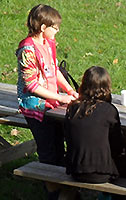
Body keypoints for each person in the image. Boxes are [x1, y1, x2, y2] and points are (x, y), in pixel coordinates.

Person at [16, 4, 78, 199]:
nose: (57, 30)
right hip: (35, 106)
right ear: (43, 27)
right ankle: (53, 192)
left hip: (52, 102)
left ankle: (64, 190)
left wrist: (68, 89)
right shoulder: (27, 49)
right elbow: (31, 86)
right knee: (48, 152)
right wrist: (59, 97)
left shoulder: (49, 43)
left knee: (60, 146)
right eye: (55, 27)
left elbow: (54, 68)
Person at [64, 66, 126, 200]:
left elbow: (68, 138)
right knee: (123, 165)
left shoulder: (73, 108)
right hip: (101, 173)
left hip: (75, 170)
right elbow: (117, 145)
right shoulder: (109, 110)